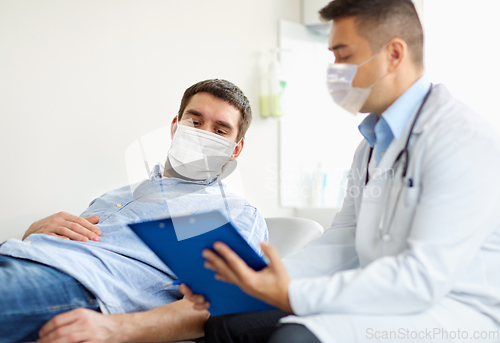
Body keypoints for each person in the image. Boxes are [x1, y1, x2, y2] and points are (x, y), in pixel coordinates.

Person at [182, 1, 500, 342]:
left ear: (394, 54)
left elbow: (422, 278)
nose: (335, 70)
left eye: (344, 56)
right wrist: (255, 280)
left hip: (452, 311)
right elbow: (343, 241)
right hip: (385, 296)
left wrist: (291, 293)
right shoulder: (371, 146)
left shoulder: (461, 138)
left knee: (295, 339)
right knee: (228, 322)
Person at [0, 79, 268, 343]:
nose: (203, 134)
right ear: (175, 127)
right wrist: (31, 232)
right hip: (15, 254)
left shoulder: (236, 212)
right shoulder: (115, 195)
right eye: (194, 122)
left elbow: (220, 302)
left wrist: (114, 328)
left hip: (78, 284)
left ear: (236, 149)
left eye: (220, 131)